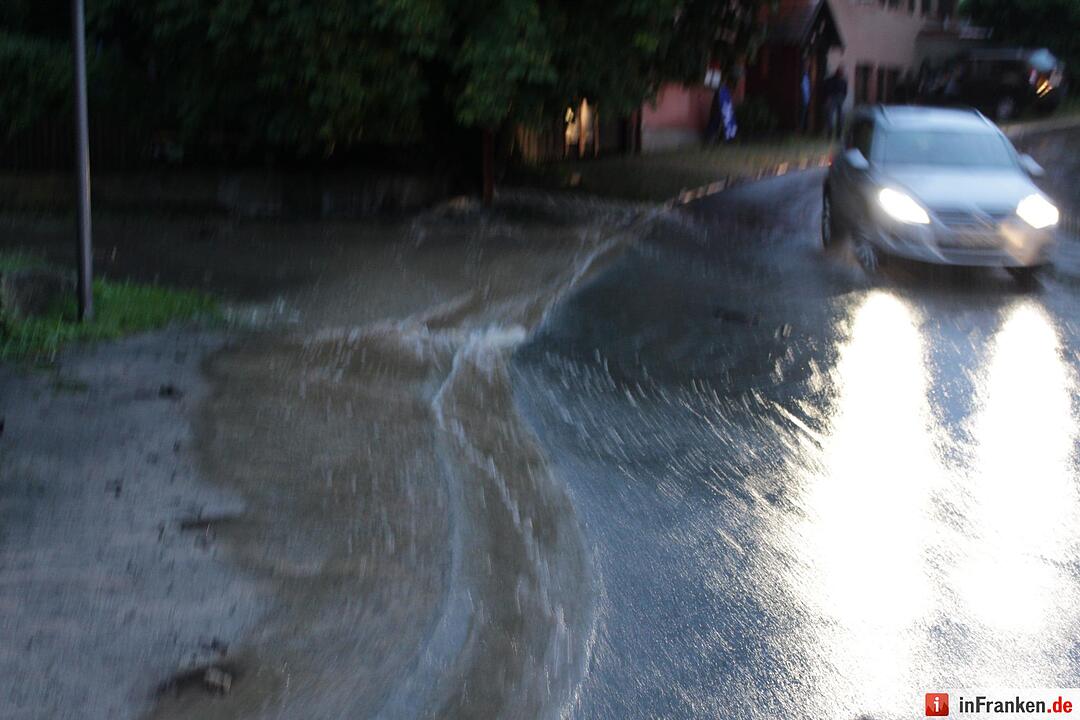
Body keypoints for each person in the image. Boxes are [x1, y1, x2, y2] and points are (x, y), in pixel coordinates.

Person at [823, 65, 848, 140]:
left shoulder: (844, 81)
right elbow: (826, 89)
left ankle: (838, 135)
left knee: (841, 118)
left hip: (840, 99)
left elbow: (845, 91)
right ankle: (829, 135)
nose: (841, 73)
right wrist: (828, 98)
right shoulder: (830, 80)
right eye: (840, 71)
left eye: (842, 72)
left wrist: (843, 98)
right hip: (832, 99)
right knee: (829, 117)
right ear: (837, 72)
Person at [799, 65, 812, 133]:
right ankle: (800, 129)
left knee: (805, 115)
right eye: (805, 67)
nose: (806, 69)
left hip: (807, 99)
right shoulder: (802, 77)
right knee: (802, 115)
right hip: (803, 99)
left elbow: (807, 88)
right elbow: (803, 88)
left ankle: (804, 129)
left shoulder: (807, 76)